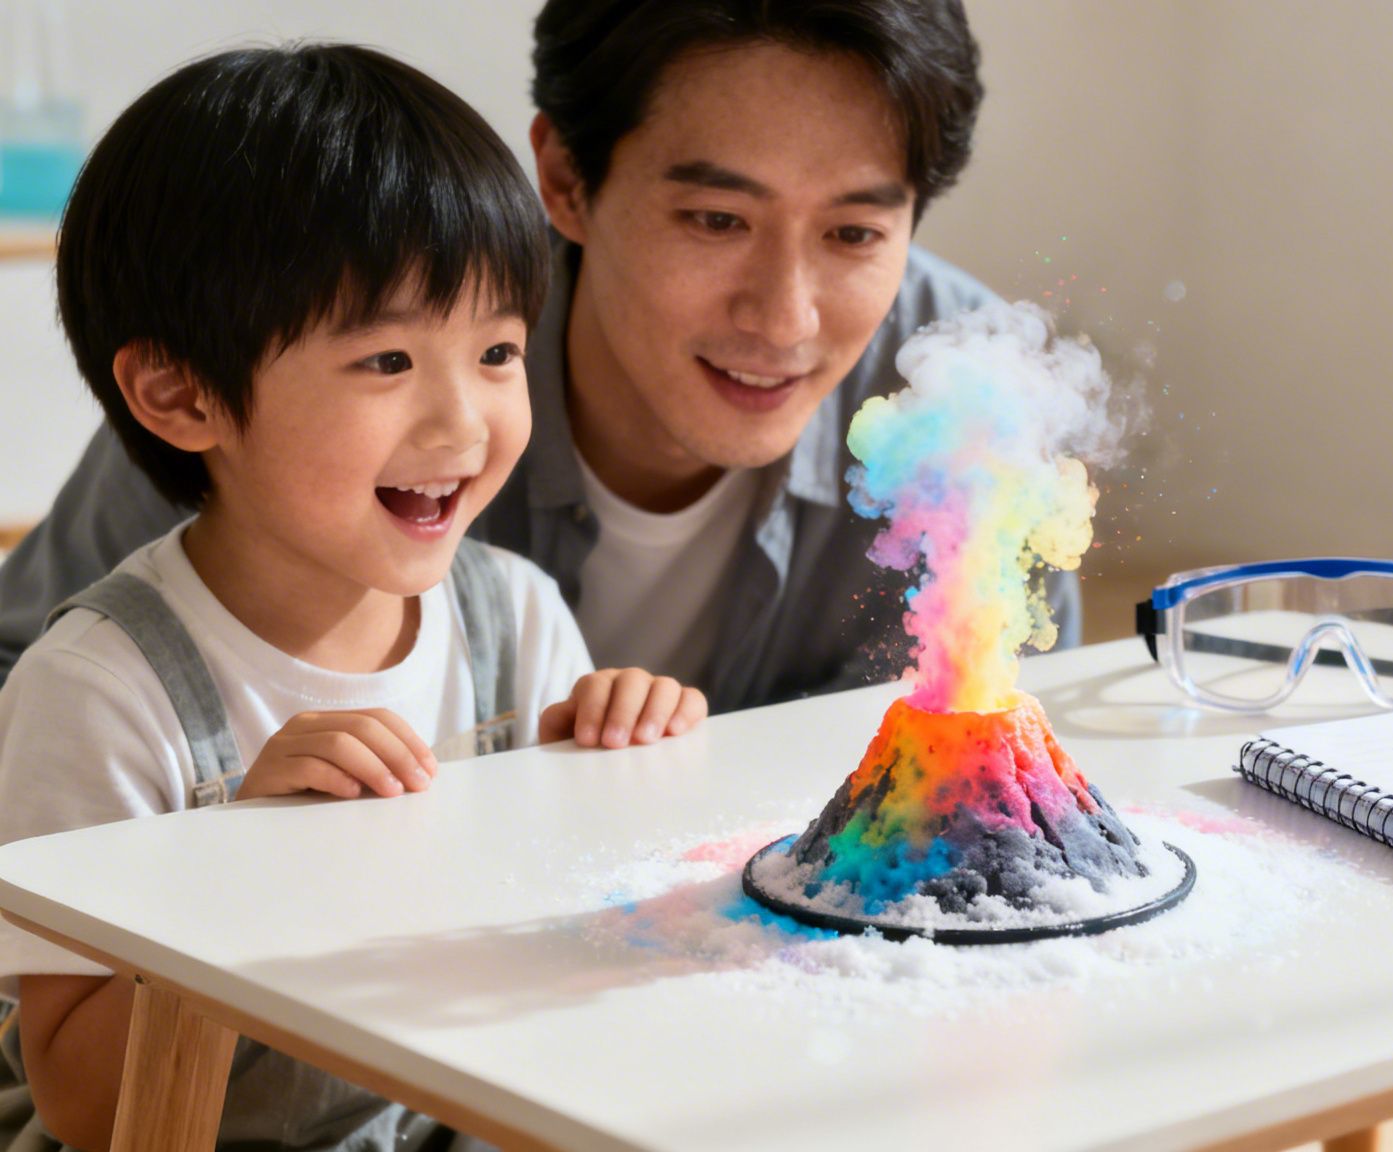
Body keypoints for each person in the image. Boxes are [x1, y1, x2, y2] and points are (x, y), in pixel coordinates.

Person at [0, 45, 702, 1151]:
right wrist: (246, 867)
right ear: (180, 393)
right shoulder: (99, 691)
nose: (462, 423)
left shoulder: (515, 620)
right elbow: (88, 1110)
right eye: (387, 362)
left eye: (497, 350)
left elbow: (573, 975)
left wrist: (624, 769)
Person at [0, 0, 1082, 712]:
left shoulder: (966, 414)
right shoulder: (305, 371)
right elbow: (29, 685)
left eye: (854, 233)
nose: (783, 317)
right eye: (715, 220)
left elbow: (996, 782)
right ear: (564, 180)